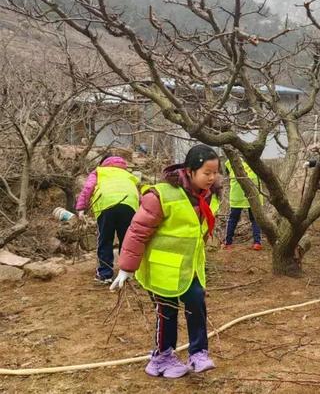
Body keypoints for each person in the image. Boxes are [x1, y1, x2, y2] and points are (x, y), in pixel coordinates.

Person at [110, 144, 221, 378]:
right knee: (166, 312)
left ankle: (198, 352)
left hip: (188, 267)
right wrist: (127, 267)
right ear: (190, 171)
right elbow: (138, 230)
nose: (212, 178)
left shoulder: (208, 196)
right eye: (207, 173)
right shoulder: (161, 195)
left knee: (196, 302)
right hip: (162, 268)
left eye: (215, 173)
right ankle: (161, 357)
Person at [75, 154, 140, 284]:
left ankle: (105, 274)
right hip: (129, 205)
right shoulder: (126, 174)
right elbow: (139, 193)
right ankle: (127, 272)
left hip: (106, 205)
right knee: (127, 240)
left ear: (103, 163)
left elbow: (88, 188)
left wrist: (81, 207)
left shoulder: (100, 171)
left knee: (105, 239)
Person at [223, 157, 263, 250]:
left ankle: (228, 243)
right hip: (253, 194)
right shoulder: (253, 161)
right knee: (255, 219)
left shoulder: (230, 162)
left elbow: (228, 175)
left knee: (233, 219)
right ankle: (257, 242)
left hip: (237, 195)